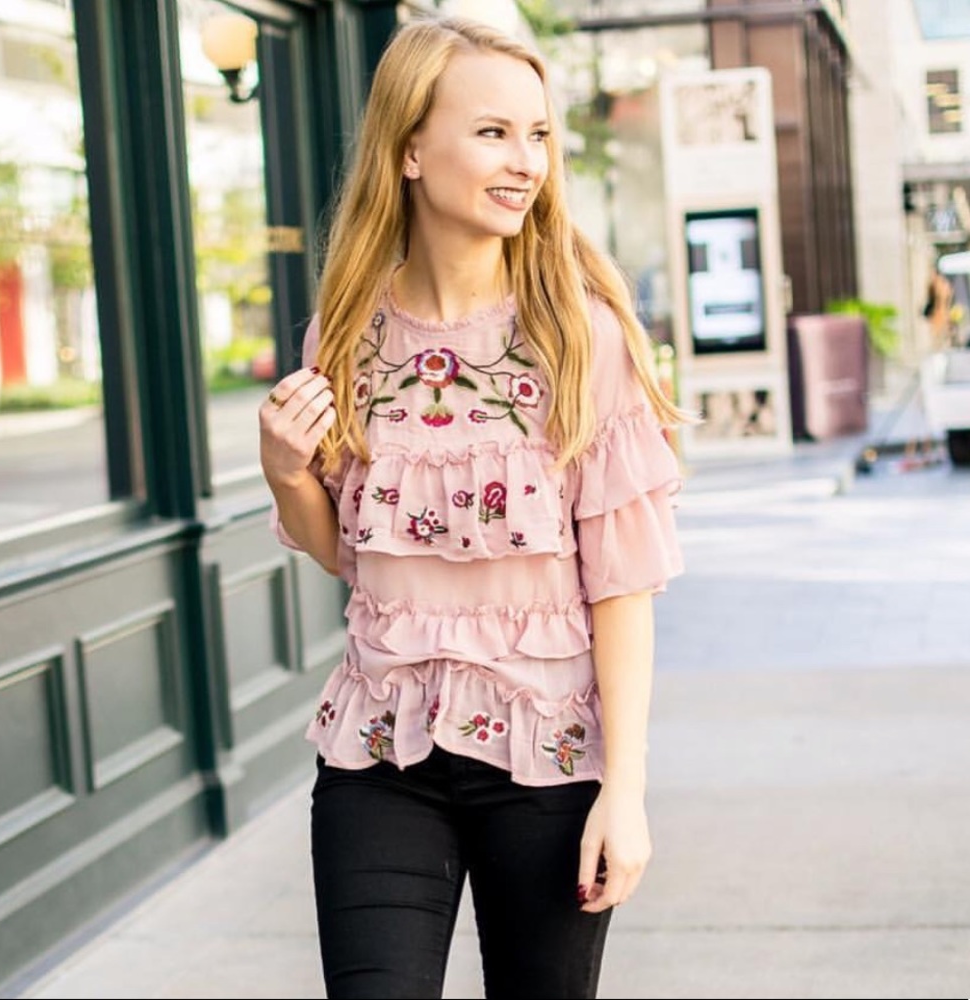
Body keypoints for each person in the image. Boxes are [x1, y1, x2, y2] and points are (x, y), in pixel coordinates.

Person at [258, 15, 691, 999]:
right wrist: (286, 470)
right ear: (410, 149)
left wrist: (622, 793)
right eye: (493, 132)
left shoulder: (579, 339)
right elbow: (356, 558)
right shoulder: (349, 330)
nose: (525, 160)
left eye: (537, 135)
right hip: (379, 756)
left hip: (545, 759)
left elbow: (622, 589)